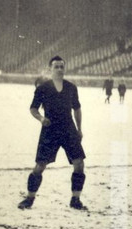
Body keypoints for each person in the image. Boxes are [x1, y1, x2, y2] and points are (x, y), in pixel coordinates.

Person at [18, 56, 87, 210]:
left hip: (69, 128)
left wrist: (79, 129)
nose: (59, 69)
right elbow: (33, 109)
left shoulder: (71, 87)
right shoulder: (43, 88)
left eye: (62, 66)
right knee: (40, 165)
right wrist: (41, 118)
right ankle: (29, 198)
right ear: (50, 69)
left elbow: (77, 108)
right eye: (56, 66)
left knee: (79, 163)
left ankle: (75, 200)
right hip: (50, 129)